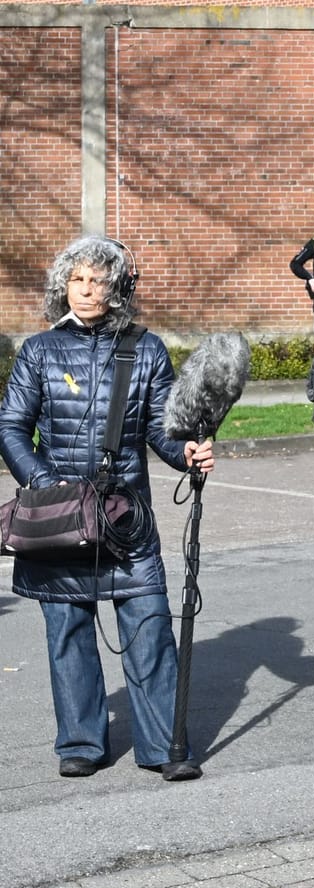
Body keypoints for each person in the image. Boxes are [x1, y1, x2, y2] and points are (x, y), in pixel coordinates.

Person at [0, 237, 215, 780]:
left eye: (98, 278)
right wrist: (47, 485)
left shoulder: (145, 349)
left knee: (149, 627)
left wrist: (185, 449)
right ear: (63, 286)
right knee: (68, 632)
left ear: (118, 285)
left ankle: (164, 745)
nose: (88, 288)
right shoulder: (40, 351)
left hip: (126, 518)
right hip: (58, 516)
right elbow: (10, 427)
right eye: (77, 279)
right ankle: (80, 741)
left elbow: (163, 429)